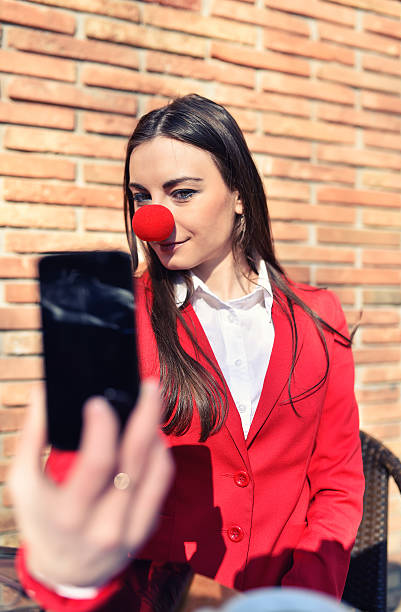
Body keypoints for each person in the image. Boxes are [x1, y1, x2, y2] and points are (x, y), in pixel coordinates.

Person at [9, 94, 364, 611]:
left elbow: (336, 483)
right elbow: (75, 490)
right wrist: (69, 566)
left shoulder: (319, 313)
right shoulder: (119, 320)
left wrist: (299, 600)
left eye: (181, 192)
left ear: (239, 194)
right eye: (141, 196)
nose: (153, 219)